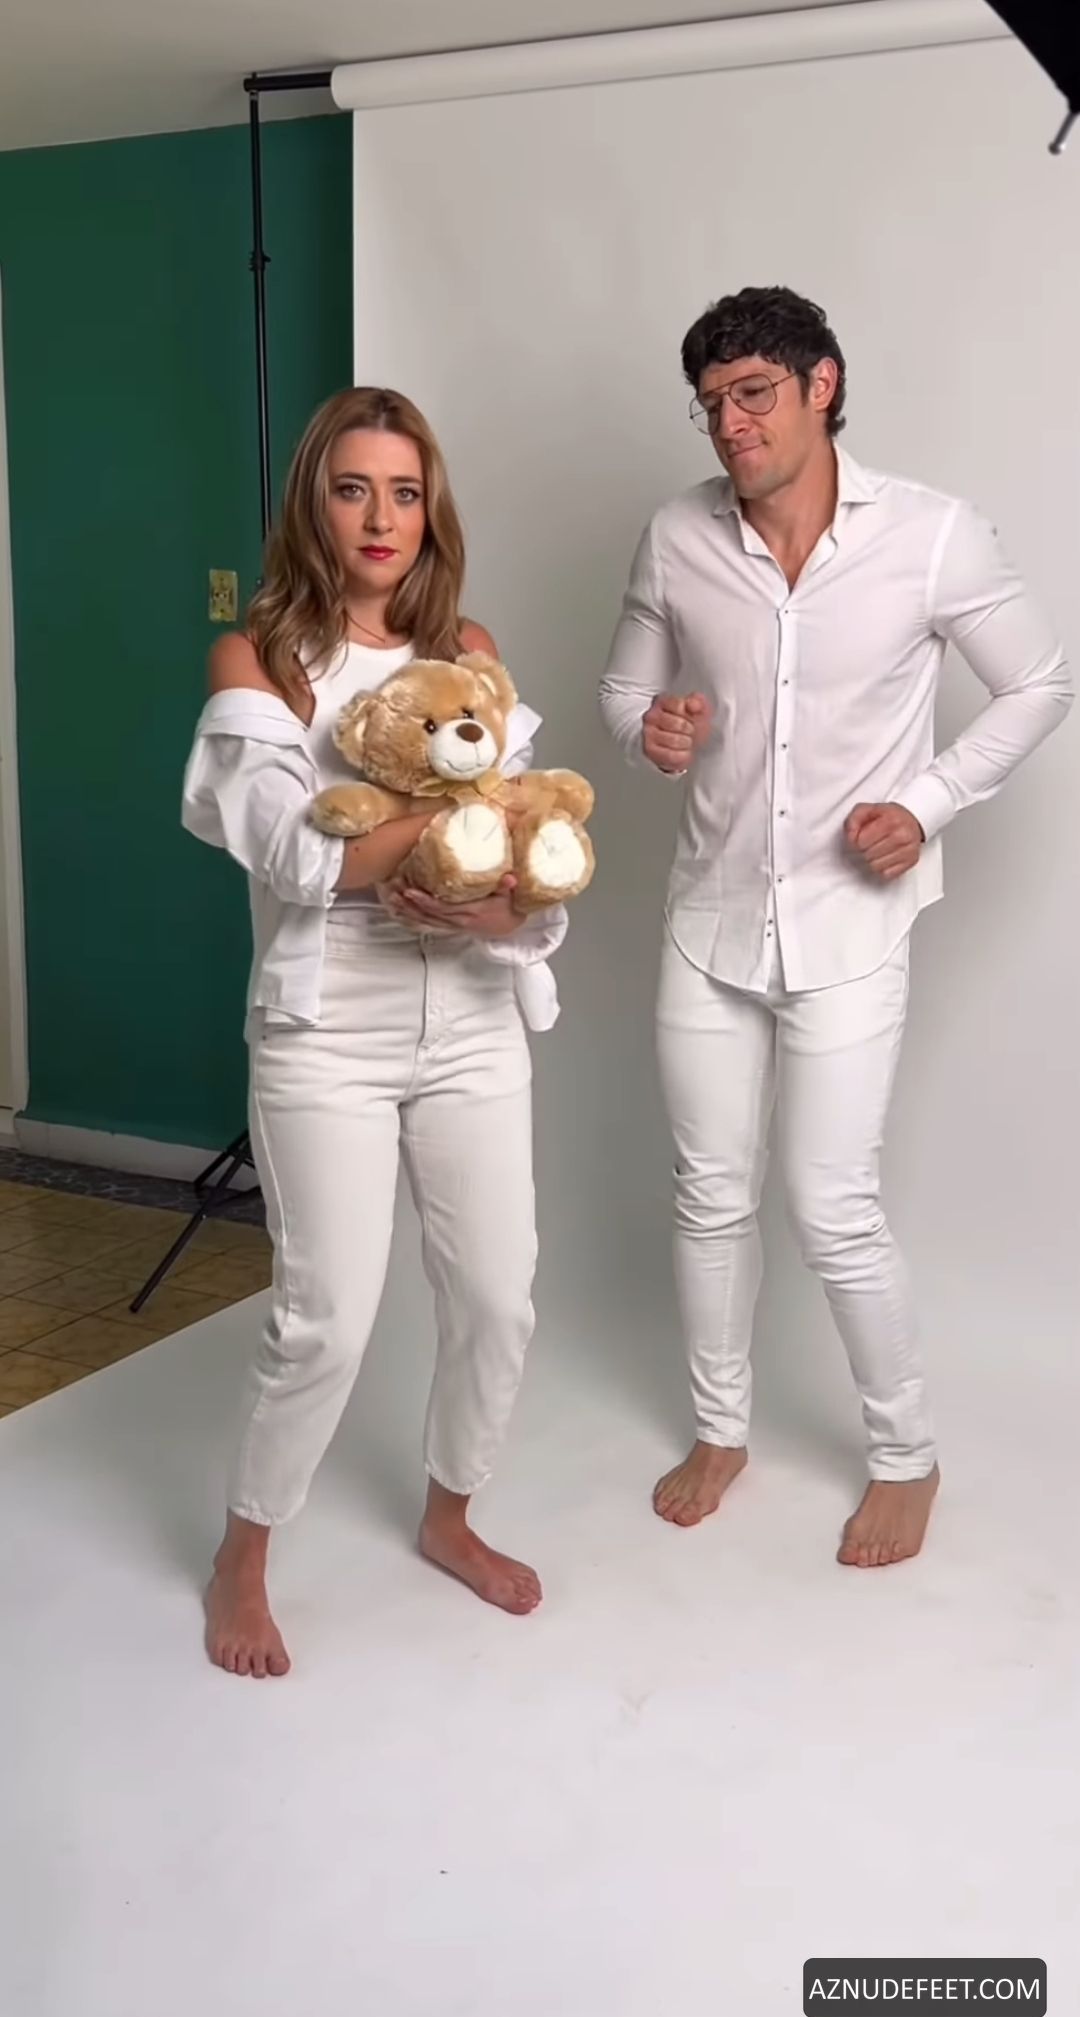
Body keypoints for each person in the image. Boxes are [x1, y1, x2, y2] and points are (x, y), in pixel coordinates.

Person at [599, 286, 1072, 1568]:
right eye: (711, 404)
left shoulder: (931, 534)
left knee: (830, 1202)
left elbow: (1040, 680)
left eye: (753, 392)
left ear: (823, 384)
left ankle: (906, 1455)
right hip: (708, 919)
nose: (730, 425)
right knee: (709, 1195)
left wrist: (927, 803)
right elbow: (624, 688)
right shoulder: (676, 535)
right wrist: (649, 731)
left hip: (851, 924)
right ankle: (721, 1430)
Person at [183, 387, 568, 1676]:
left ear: (430, 510)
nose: (381, 517)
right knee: (328, 1317)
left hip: (470, 1014)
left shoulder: (467, 649)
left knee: (499, 1296)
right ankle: (245, 1553)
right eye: (354, 488)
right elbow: (299, 856)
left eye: (405, 492)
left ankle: (451, 1514)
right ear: (316, 503)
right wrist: (455, 821)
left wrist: (498, 903)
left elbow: (526, 863)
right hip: (326, 1028)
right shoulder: (260, 660)